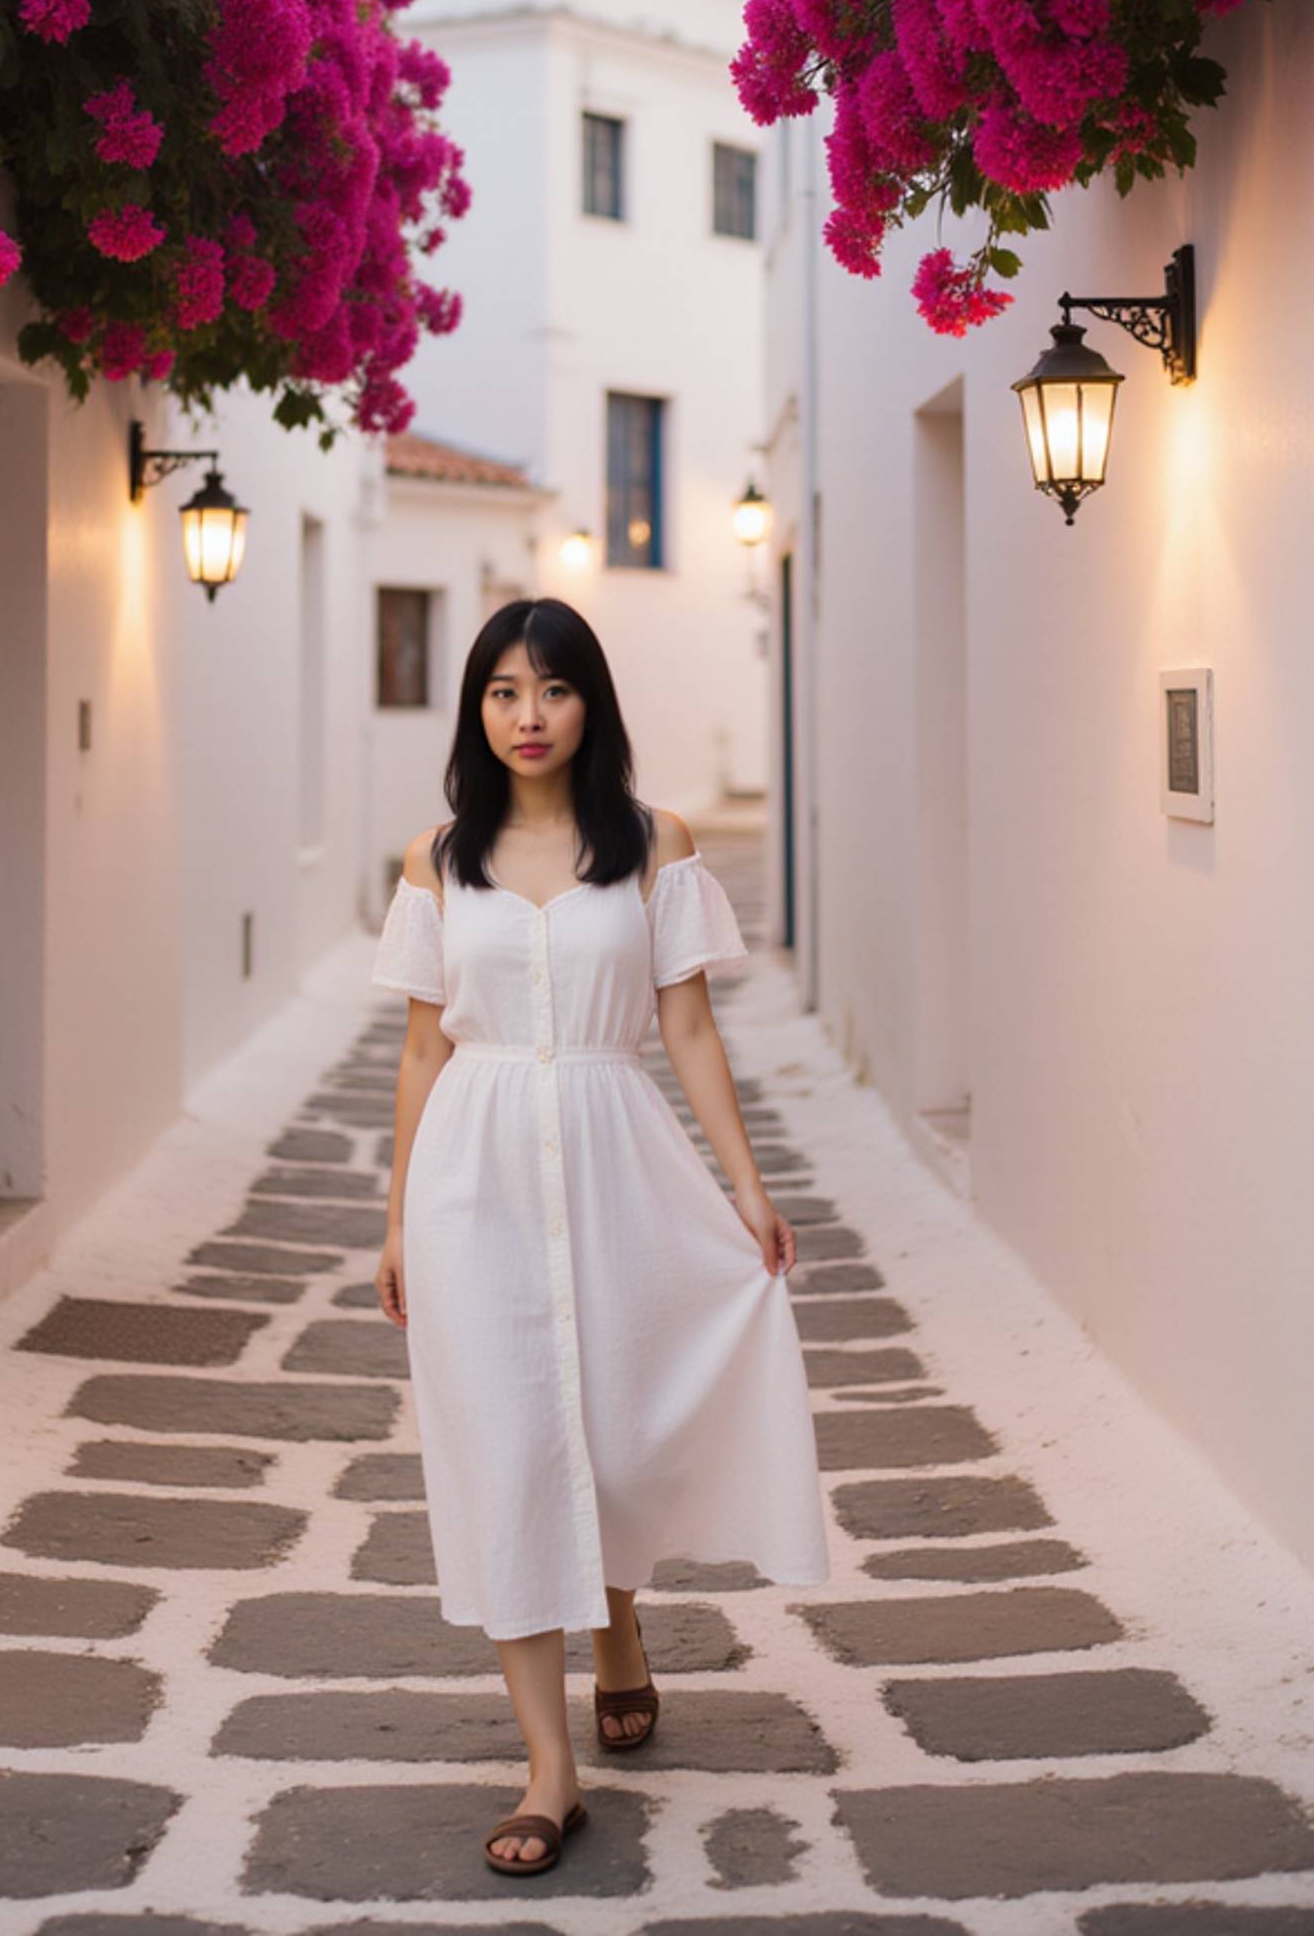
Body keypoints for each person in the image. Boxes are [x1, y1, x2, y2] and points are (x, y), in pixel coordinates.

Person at [370, 596, 831, 1878]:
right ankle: (547, 1768)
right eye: (504, 691)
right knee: (509, 1447)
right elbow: (419, 1045)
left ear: (592, 704)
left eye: (553, 690)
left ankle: (617, 1623)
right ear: (476, 708)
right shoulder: (435, 860)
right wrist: (398, 1215)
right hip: (473, 1170)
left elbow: (687, 1027)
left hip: (615, 1147)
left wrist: (743, 1185)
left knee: (616, 1427)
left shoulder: (653, 846)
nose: (529, 716)